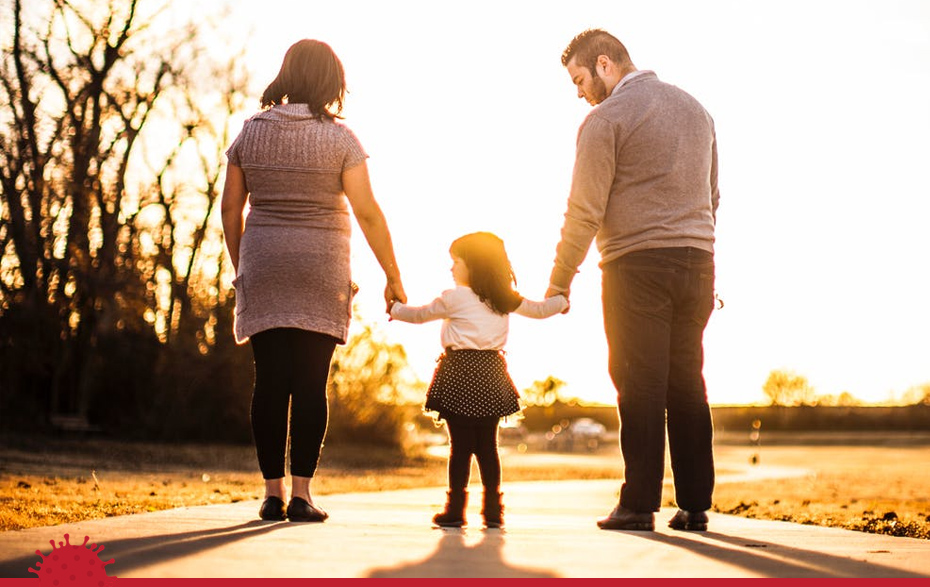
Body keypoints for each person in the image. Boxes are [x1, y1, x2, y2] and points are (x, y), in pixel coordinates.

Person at [221, 39, 406, 523]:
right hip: (321, 269)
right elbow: (366, 212)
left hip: (264, 264)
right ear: (331, 81)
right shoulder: (342, 139)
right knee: (309, 384)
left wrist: (244, 267)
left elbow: (230, 208)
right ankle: (302, 495)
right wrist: (392, 273)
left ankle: (271, 493)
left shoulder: (250, 132)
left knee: (269, 383)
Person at [545, 29, 720, 532]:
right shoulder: (696, 110)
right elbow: (712, 195)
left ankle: (638, 504)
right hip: (697, 262)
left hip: (635, 265)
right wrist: (696, 245)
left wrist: (559, 283)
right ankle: (694, 505)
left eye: (579, 80)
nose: (579, 93)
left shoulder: (606, 119)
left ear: (604, 64)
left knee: (638, 384)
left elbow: (584, 210)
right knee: (687, 381)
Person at [389, 232, 568, 529]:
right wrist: (561, 301)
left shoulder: (455, 297)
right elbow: (539, 310)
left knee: (459, 447)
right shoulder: (502, 297)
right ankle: (493, 510)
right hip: (490, 374)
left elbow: (419, 315)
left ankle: (456, 509)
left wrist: (393, 308)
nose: (451, 268)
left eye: (455, 261)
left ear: (472, 264)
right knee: (488, 446)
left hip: (459, 373)